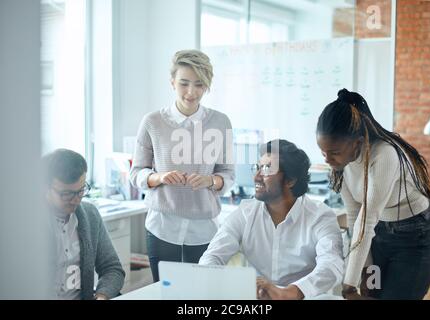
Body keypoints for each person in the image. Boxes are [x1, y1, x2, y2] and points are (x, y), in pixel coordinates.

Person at [316, 88, 430, 300]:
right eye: (323, 152)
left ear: (358, 142)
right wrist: (366, 272)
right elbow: (355, 217)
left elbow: (366, 219)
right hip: (378, 235)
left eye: (334, 152)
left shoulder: (384, 155)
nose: (327, 159)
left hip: (413, 238)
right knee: (371, 294)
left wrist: (348, 287)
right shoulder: (340, 164)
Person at [130, 49, 235, 282]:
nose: (191, 92)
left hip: (204, 230)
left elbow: (227, 173)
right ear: (172, 82)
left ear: (207, 84)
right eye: (184, 83)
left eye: (199, 84)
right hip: (162, 227)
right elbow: (136, 172)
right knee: (166, 295)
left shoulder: (220, 122)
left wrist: (211, 180)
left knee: (201, 296)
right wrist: (159, 177)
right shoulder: (152, 122)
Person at [199, 139, 344, 300]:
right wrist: (209, 281)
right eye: (258, 167)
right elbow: (213, 256)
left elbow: (332, 264)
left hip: (300, 296)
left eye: (267, 169)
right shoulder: (245, 213)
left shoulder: (320, 216)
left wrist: (290, 292)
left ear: (290, 180)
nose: (256, 177)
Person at [43, 149, 125, 300]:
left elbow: (112, 269)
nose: (76, 200)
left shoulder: (90, 215)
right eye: (66, 194)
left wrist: (102, 295)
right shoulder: (27, 223)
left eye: (81, 191)